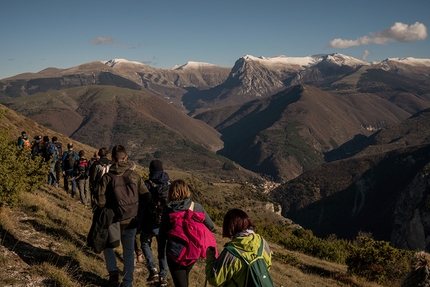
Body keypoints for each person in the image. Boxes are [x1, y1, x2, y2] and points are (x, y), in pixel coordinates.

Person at [95, 145, 151, 287]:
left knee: (108, 247)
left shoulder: (107, 178)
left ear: (113, 159)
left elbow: (100, 201)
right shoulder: (135, 176)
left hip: (113, 220)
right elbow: (147, 197)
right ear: (126, 158)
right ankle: (127, 283)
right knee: (128, 252)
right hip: (131, 220)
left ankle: (113, 274)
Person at [158, 179, 215, 287]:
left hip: (174, 253)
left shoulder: (168, 209)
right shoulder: (197, 207)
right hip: (192, 252)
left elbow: (162, 233)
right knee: (184, 280)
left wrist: (161, 253)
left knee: (180, 282)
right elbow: (211, 225)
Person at [205, 209, 273, 287]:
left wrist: (210, 258)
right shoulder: (262, 243)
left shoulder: (231, 253)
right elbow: (268, 265)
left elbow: (215, 280)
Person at [139, 160, 171, 285]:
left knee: (145, 243)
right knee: (162, 249)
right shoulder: (169, 184)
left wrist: (139, 224)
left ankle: (153, 269)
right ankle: (163, 276)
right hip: (165, 223)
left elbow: (142, 206)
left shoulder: (147, 184)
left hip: (149, 222)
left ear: (150, 170)